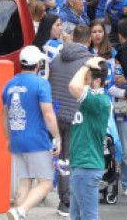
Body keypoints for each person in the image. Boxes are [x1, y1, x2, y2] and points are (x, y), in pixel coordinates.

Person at [2, 46, 62, 220]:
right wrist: (57, 137)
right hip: (36, 139)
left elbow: (4, 114)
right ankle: (20, 211)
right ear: (38, 64)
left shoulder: (9, 84)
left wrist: (8, 138)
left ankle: (17, 212)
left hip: (17, 139)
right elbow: (48, 113)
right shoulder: (41, 83)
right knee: (46, 183)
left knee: (25, 180)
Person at [47, 24, 92, 216]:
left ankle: (64, 201)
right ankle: (70, 201)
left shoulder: (56, 59)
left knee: (62, 160)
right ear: (89, 40)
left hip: (57, 114)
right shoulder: (90, 61)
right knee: (74, 159)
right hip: (77, 115)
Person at [67, 55, 111, 220]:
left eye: (86, 79)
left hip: (87, 165)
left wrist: (86, 65)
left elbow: (73, 85)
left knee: (88, 217)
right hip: (81, 165)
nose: (82, 82)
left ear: (97, 81)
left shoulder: (99, 101)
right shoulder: (92, 101)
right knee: (77, 216)